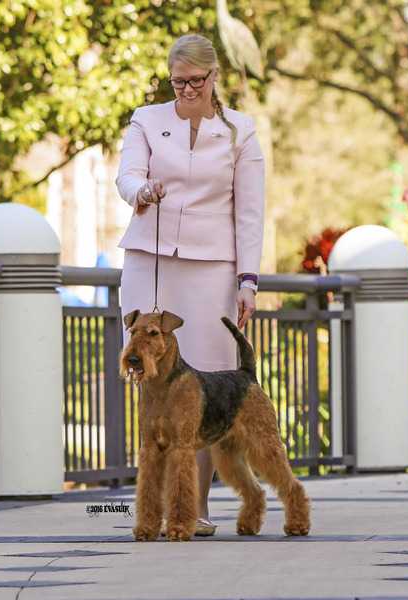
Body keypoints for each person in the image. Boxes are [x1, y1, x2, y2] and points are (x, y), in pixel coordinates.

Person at [116, 33, 265, 536]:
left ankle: (194, 510)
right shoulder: (146, 120)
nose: (184, 91)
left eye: (194, 82)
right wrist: (141, 190)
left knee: (201, 391)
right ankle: (150, 512)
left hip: (212, 270)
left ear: (213, 77)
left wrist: (247, 279)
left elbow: (249, 212)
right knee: (153, 384)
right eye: (177, 82)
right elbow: (127, 175)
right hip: (148, 261)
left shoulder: (240, 132)